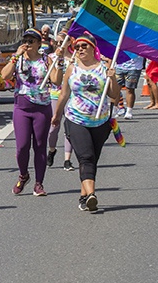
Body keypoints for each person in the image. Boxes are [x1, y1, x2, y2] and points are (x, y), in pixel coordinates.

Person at [51, 33, 120, 211]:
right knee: (85, 157)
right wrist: (57, 116)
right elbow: (64, 93)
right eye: (77, 47)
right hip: (76, 119)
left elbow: (114, 95)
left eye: (84, 46)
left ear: (93, 49)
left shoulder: (105, 67)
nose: (80, 49)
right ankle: (91, 195)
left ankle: (84, 196)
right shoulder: (72, 69)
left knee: (92, 159)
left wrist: (112, 77)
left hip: (100, 121)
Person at [0, 28, 63, 196]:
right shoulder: (18, 59)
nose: (27, 44)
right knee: (22, 147)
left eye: (31, 41)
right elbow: (4, 76)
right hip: (22, 106)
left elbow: (56, 80)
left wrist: (60, 63)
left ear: (38, 44)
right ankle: (23, 175)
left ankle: (39, 183)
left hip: (41, 107)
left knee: (40, 146)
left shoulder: (46, 60)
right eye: (25, 40)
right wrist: (15, 56)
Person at [47, 31, 75, 170]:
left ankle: (67, 159)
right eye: (56, 42)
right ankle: (52, 150)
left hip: (71, 95)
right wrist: (58, 60)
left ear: (68, 42)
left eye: (61, 42)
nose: (59, 45)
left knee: (68, 128)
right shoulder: (51, 57)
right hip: (56, 95)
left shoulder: (74, 58)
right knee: (53, 127)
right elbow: (53, 80)